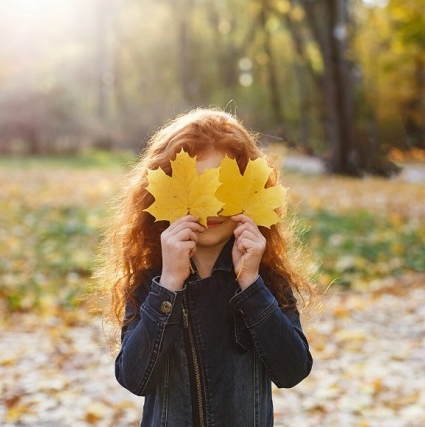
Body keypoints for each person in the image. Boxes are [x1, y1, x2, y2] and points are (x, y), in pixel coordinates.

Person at [98, 108, 313, 426]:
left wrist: (251, 286)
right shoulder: (152, 279)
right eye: (198, 189)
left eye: (223, 188)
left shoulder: (264, 278)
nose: (211, 206)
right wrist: (169, 284)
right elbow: (134, 378)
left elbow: (292, 370)